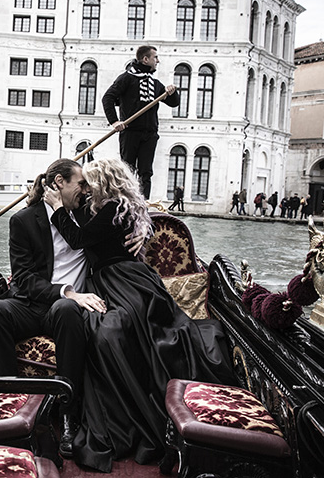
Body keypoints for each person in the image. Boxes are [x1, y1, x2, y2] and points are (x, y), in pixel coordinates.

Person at [42, 158, 235, 471]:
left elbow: (78, 239)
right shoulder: (101, 208)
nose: (87, 190)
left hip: (128, 282)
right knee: (102, 330)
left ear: (105, 183)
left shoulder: (115, 207)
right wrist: (49, 198)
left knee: (110, 331)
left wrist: (58, 209)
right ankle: (117, 412)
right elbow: (67, 202)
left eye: (91, 183)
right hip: (106, 283)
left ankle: (131, 417)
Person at [0, 158, 145, 459]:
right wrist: (66, 291)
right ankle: (10, 401)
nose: (85, 191)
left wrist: (144, 232)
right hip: (33, 304)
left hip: (68, 310)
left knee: (67, 310)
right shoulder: (23, 220)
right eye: (80, 184)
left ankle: (69, 415)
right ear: (60, 183)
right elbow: (24, 278)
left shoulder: (86, 214)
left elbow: (125, 210)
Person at [101, 45, 180, 199]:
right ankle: (124, 201)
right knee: (127, 170)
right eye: (155, 57)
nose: (158, 61)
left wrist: (172, 92)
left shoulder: (156, 84)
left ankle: (144, 203)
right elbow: (108, 98)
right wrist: (115, 122)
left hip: (150, 134)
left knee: (146, 172)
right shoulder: (126, 78)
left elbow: (173, 103)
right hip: (130, 132)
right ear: (145, 59)